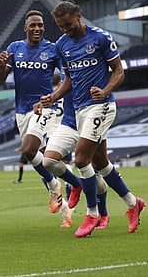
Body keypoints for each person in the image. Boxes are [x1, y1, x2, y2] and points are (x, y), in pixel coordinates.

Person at [40, 0, 145, 237]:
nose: (65, 30)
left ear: (79, 15)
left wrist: (106, 90)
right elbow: (69, 78)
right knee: (97, 164)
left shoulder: (100, 38)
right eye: (60, 26)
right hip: (79, 111)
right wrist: (54, 96)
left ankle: (92, 214)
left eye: (68, 24)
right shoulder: (62, 45)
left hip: (102, 106)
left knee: (81, 159)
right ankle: (132, 203)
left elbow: (119, 71)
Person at [0, 9, 78, 228]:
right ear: (26, 28)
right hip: (21, 111)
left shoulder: (52, 49)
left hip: (43, 109)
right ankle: (64, 206)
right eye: (33, 25)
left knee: (29, 150)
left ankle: (56, 185)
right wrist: (2, 66)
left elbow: (67, 77)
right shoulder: (15, 48)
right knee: (39, 157)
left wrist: (54, 98)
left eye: (40, 25)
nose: (37, 28)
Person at [36, 73, 110, 229]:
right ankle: (74, 205)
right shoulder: (54, 93)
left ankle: (102, 213)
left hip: (88, 128)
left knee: (95, 172)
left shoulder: (87, 77)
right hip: (64, 131)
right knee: (52, 165)